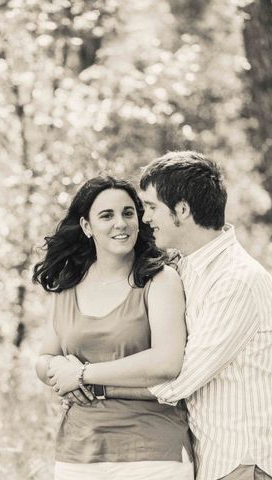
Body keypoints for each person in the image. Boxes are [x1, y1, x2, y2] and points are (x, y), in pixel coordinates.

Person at [48, 151, 272, 480]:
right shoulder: (185, 269)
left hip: (241, 463)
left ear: (182, 210)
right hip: (211, 459)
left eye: (151, 207)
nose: (144, 219)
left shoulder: (237, 281)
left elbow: (178, 379)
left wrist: (86, 380)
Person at [33, 175, 194, 480]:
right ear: (86, 227)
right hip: (78, 454)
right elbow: (44, 359)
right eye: (106, 215)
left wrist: (80, 375)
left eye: (128, 213)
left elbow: (167, 363)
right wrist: (56, 370)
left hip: (152, 452)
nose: (120, 223)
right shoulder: (68, 285)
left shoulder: (160, 280)